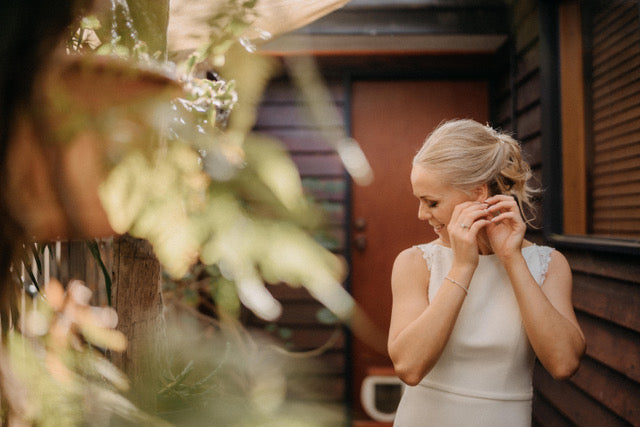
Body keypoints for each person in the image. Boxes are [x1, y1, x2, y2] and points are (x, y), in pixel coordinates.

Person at [388, 119, 585, 426]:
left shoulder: (550, 264)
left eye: (432, 202)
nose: (421, 214)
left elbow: (564, 364)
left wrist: (512, 259)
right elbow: (408, 367)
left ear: (478, 192)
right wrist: (464, 267)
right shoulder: (414, 263)